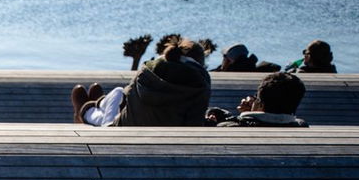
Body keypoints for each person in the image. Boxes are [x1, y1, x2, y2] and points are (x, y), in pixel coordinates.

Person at [71, 38, 211, 127]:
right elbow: (194, 125)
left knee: (119, 93)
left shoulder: (147, 70)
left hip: (126, 127)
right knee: (118, 95)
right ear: (200, 63)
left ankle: (86, 110)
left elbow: (128, 95)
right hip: (167, 137)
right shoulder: (200, 84)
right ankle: (92, 106)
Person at [210, 71, 309, 127]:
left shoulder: (228, 126)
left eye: (256, 97)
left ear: (261, 104)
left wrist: (246, 116)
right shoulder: (301, 125)